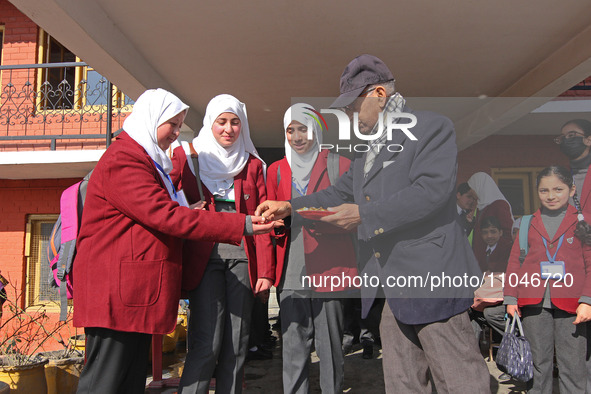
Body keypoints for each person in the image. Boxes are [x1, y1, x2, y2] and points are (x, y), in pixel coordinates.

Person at [256, 54, 489, 393]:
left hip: (431, 281)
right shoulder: (368, 153)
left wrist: (364, 215)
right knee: (402, 382)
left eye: (353, 104)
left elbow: (431, 192)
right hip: (391, 291)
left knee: (458, 380)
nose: (349, 114)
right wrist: (290, 206)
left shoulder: (431, 128)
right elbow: (336, 193)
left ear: (378, 94)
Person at [73, 89, 275, 394]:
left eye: (180, 125)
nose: (177, 133)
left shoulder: (147, 159)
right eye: (173, 124)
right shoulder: (126, 160)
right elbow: (166, 215)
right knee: (106, 380)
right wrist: (243, 222)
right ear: (152, 119)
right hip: (118, 292)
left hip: (134, 293)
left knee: (128, 380)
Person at [170, 94, 274, 394]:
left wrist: (265, 271)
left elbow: (264, 218)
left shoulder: (253, 165)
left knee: (237, 344)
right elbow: (164, 199)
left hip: (243, 260)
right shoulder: (188, 159)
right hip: (203, 261)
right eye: (222, 122)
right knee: (206, 343)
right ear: (210, 124)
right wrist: (186, 211)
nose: (228, 129)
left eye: (235, 122)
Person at [266, 103, 357, 393]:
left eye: (302, 128)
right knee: (293, 345)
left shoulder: (340, 164)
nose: (296, 136)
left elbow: (347, 213)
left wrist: (296, 212)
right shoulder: (277, 170)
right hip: (291, 267)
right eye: (290, 130)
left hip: (330, 265)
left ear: (315, 129)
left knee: (330, 345)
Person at [504, 166, 591, 393]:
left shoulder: (585, 222)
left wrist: (587, 300)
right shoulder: (526, 222)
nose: (551, 196)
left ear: (572, 190)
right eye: (544, 190)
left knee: (572, 365)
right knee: (538, 365)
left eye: (558, 189)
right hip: (534, 303)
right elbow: (515, 262)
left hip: (573, 305)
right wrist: (511, 297)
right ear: (537, 192)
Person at [467, 172, 514, 264]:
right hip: (482, 261)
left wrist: (494, 262)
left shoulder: (499, 205)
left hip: (494, 263)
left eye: (473, 189)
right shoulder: (481, 207)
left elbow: (507, 235)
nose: (472, 193)